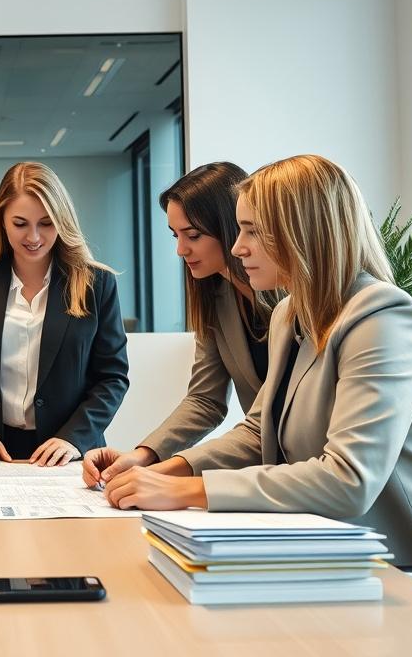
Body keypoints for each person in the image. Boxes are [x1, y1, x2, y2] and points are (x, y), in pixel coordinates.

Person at [101, 154, 412, 569]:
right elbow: (258, 431)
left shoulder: (383, 316)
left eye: (252, 232)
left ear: (304, 232)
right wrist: (169, 471)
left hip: (409, 573)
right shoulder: (290, 314)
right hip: (319, 547)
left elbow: (348, 481)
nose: (238, 247)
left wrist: (189, 490)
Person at [83, 162, 273, 487]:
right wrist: (143, 455)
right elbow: (205, 400)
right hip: (274, 470)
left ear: (231, 226)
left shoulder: (291, 301)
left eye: (193, 235)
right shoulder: (216, 297)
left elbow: (263, 424)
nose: (181, 249)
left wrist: (165, 476)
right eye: (176, 235)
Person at [0, 162, 129, 466]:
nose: (33, 236)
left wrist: (73, 437)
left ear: (62, 220)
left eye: (46, 223)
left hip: (69, 453)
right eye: (20, 223)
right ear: (1, 220)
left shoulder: (97, 284)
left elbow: (112, 378)